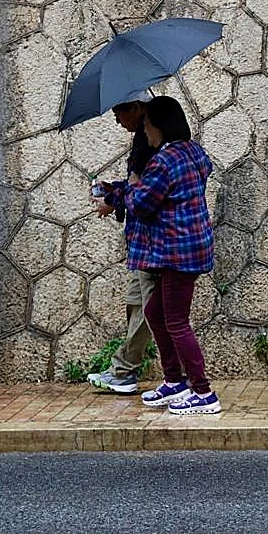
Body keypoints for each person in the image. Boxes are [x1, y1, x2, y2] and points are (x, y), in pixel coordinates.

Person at [95, 96, 221, 414]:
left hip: (176, 251)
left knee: (176, 321)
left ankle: (204, 393)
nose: (144, 132)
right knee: (154, 313)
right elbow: (155, 190)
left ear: (160, 125)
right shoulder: (192, 152)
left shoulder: (164, 161)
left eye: (148, 124)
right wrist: (124, 188)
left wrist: (117, 193)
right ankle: (174, 382)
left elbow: (142, 203)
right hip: (186, 246)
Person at [86, 98, 157, 394]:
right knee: (138, 306)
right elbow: (138, 187)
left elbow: (145, 194)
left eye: (119, 113)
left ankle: (126, 370)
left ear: (138, 109)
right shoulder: (143, 142)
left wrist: (112, 200)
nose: (117, 120)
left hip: (153, 243)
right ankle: (125, 370)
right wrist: (115, 189)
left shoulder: (155, 147)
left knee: (154, 313)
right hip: (141, 242)